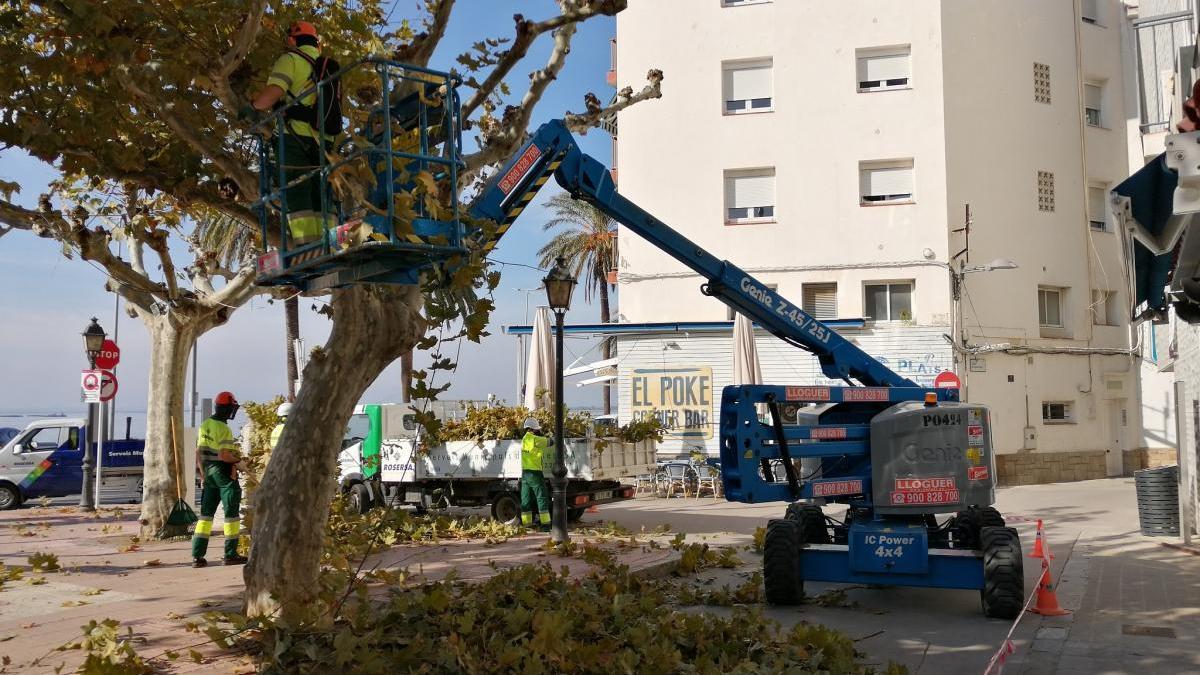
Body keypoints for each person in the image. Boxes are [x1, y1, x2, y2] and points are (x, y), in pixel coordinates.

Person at [244, 20, 334, 245]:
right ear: (317, 44)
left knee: (297, 187)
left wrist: (253, 106)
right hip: (326, 139)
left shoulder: (291, 59)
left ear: (292, 40)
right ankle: (330, 242)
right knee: (321, 190)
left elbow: (274, 92)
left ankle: (307, 245)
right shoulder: (329, 66)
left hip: (296, 137)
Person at [191, 391, 247, 567]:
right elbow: (224, 456)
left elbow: (198, 453)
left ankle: (197, 556)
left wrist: (203, 475)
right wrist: (239, 461)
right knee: (231, 516)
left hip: (209, 475)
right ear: (227, 408)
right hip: (223, 474)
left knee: (205, 516)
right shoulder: (223, 428)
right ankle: (230, 554)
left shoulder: (205, 424)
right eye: (231, 408)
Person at [519, 418, 552, 531]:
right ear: (532, 429)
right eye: (537, 429)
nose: (538, 431)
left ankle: (527, 525)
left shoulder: (524, 439)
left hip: (525, 474)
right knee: (542, 497)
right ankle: (546, 525)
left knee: (526, 499)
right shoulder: (535, 439)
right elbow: (550, 442)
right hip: (535, 473)